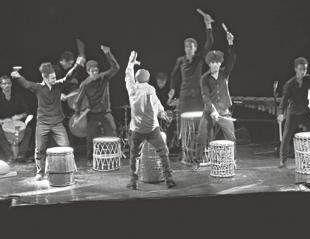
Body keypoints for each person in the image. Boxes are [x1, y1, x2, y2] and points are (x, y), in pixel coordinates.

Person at [11, 56, 85, 180]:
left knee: (66, 147)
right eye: (52, 78)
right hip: (43, 124)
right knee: (39, 149)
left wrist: (77, 65)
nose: (55, 79)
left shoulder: (58, 86)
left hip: (57, 123)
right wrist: (17, 76)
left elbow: (68, 77)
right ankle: (40, 172)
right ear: (44, 78)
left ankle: (68, 169)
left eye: (55, 77)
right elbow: (26, 84)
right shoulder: (38, 88)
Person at [125, 50, 176, 190]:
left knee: (134, 156)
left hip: (137, 129)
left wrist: (131, 62)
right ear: (147, 79)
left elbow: (127, 75)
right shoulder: (150, 89)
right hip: (152, 129)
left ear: (137, 79)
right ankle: (169, 178)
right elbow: (156, 104)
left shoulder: (132, 89)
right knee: (163, 152)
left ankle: (132, 181)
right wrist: (162, 113)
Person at [193, 31, 237, 170]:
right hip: (209, 111)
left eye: (217, 62)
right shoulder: (204, 78)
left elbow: (232, 59)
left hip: (223, 111)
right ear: (209, 64)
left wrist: (230, 43)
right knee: (201, 136)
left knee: (231, 137)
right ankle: (197, 161)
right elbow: (205, 96)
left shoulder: (225, 73)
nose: (215, 65)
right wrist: (212, 110)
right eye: (213, 63)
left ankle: (233, 160)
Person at [277, 48, 310, 168]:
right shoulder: (289, 84)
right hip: (293, 113)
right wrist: (280, 112)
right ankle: (282, 161)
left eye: (305, 69)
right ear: (295, 69)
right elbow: (283, 101)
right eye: (301, 69)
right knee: (286, 137)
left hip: (305, 113)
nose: (303, 72)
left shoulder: (307, 80)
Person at [74, 45, 120, 167]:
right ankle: (90, 159)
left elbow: (116, 67)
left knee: (112, 131)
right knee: (90, 136)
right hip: (93, 113)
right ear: (88, 72)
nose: (94, 73)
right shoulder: (85, 84)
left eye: (96, 70)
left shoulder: (104, 77)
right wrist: (77, 114)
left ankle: (114, 156)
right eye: (92, 71)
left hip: (106, 112)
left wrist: (108, 53)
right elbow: (78, 101)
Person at [169, 10, 214, 114]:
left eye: (191, 47)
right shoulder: (180, 60)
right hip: (184, 94)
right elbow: (173, 75)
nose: (188, 48)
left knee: (200, 120)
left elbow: (210, 42)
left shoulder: (199, 57)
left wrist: (208, 25)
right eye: (186, 47)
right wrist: (172, 89)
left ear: (195, 48)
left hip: (198, 94)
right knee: (183, 119)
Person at [0, 75, 35, 164]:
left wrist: (19, 116)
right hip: (3, 123)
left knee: (29, 129)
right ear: (1, 85)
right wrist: (2, 121)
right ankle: (9, 155)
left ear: (11, 84)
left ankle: (21, 155)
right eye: (4, 84)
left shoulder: (17, 96)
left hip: (17, 123)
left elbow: (28, 111)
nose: (7, 85)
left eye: (8, 83)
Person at [53, 51, 82, 146]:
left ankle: (68, 149)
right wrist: (59, 94)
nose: (70, 66)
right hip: (54, 104)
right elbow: (51, 86)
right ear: (63, 61)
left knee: (66, 125)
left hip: (64, 105)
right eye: (69, 64)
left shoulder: (64, 70)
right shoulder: (55, 69)